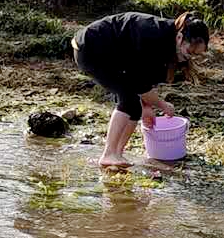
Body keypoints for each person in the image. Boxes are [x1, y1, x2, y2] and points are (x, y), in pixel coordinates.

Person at [73, 11, 210, 169]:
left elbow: (144, 77)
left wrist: (147, 107)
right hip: (90, 48)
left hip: (113, 56)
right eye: (190, 52)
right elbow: (139, 81)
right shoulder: (154, 36)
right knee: (129, 100)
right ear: (180, 38)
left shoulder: (168, 42)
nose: (190, 57)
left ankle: (117, 153)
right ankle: (108, 154)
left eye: (196, 55)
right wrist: (163, 105)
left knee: (135, 107)